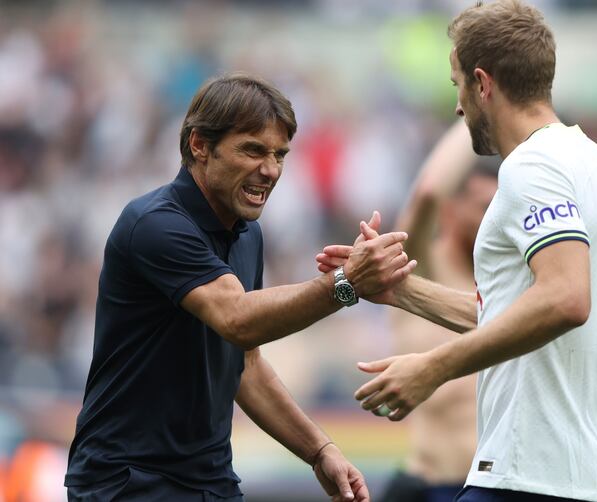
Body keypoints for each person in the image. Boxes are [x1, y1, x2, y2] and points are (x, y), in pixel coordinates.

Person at [318, 2, 597, 501]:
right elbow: (521, 313)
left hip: (534, 474)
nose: (458, 107)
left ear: (483, 84)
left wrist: (434, 366)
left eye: (458, 87)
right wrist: (401, 290)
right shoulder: (596, 163)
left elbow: (566, 299)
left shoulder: (533, 166)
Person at [64, 73, 416, 502]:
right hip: (127, 480)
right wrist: (346, 284)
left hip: (210, 480)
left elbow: (244, 364)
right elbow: (238, 320)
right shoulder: (154, 224)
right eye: (252, 150)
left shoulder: (248, 234)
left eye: (279, 154)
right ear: (199, 145)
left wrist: (320, 450)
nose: (270, 170)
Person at [320, 122, 497, 502]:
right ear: (454, 209)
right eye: (483, 206)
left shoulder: (504, 283)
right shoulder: (421, 269)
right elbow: (429, 193)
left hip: (495, 487)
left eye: (499, 208)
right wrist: (482, 116)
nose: (491, 219)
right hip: (432, 484)